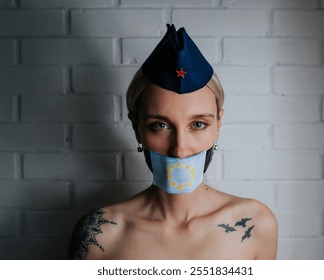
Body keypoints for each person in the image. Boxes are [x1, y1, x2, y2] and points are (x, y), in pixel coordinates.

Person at [68, 24, 278, 260]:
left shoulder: (256, 224)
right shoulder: (101, 234)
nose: (180, 150)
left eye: (198, 124)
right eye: (160, 125)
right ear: (137, 127)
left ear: (218, 124)